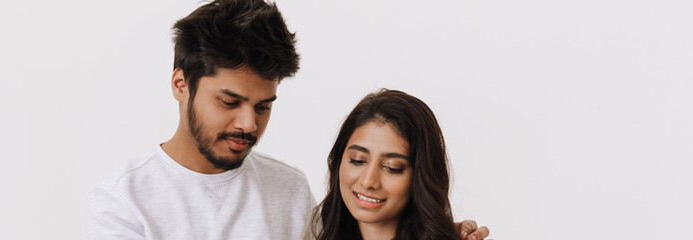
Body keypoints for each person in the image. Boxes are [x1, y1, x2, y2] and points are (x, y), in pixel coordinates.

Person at [87, 1, 489, 239]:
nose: (249, 124)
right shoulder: (124, 200)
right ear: (181, 84)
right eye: (230, 101)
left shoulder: (289, 189)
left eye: (264, 106)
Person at [306, 89, 490, 240]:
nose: (368, 181)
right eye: (358, 160)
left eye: (392, 168)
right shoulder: (312, 231)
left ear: (421, 177)